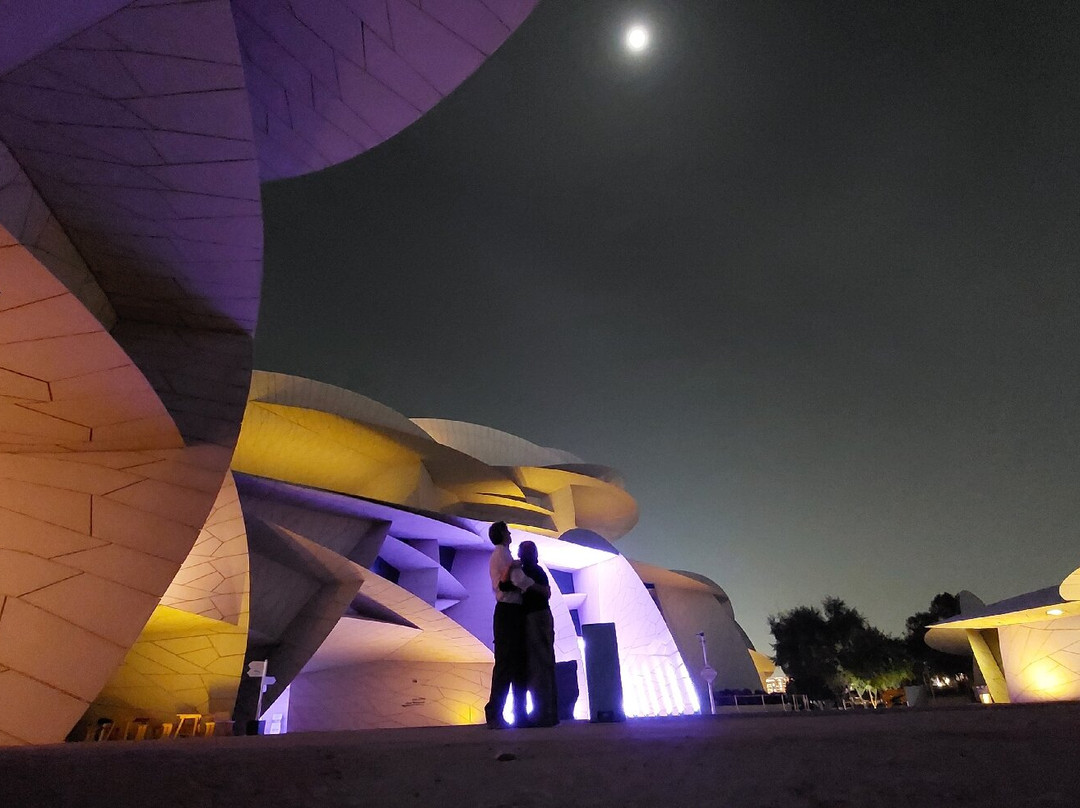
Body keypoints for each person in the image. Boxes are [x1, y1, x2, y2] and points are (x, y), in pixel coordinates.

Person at [484, 521, 530, 728]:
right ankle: (497, 713)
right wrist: (535, 586)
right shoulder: (503, 554)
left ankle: (505, 712)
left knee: (510, 663)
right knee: (508, 663)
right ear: (502, 534)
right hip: (509, 611)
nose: (510, 534)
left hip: (507, 612)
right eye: (507, 531)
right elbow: (517, 581)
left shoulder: (502, 555)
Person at [517, 540, 558, 727]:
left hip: (535, 617)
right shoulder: (537, 571)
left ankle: (543, 712)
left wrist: (528, 584)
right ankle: (546, 711)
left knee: (539, 663)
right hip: (539, 616)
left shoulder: (529, 572)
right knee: (542, 662)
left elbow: (545, 592)